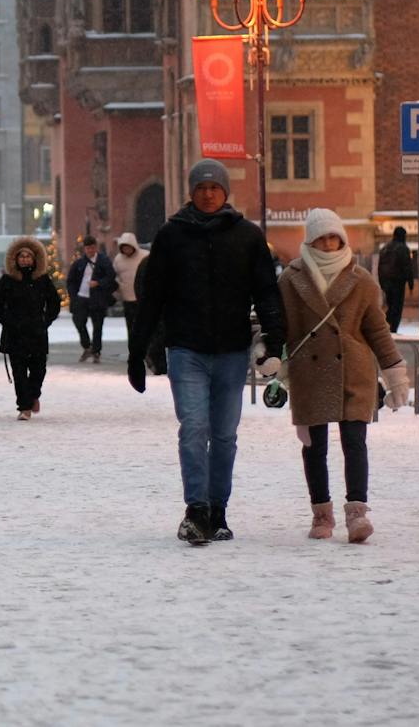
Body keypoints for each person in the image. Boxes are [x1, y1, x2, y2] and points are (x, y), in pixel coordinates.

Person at [127, 160, 286, 547]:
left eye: (215, 187)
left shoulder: (247, 236)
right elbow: (153, 297)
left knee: (225, 435)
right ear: (191, 192)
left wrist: (276, 338)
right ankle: (196, 509)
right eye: (201, 187)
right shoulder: (171, 236)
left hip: (231, 349)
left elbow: (266, 290)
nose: (208, 193)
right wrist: (138, 351)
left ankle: (218, 509)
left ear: (225, 192)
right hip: (186, 348)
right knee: (194, 428)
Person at [277, 209, 411, 544]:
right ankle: (321, 513)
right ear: (310, 240)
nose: (327, 243)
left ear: (342, 238)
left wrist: (394, 374)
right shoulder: (291, 280)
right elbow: (280, 327)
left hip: (354, 371)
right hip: (309, 372)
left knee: (355, 443)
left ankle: (357, 514)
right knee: (314, 447)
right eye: (321, 237)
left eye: (333, 236)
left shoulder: (362, 280)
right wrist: (269, 358)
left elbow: (378, 331)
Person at [0, 237, 59, 420]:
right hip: (15, 334)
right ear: (15, 259)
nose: (25, 260)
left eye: (29, 256)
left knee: (39, 370)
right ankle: (24, 407)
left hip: (37, 333)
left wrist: (45, 320)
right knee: (19, 373)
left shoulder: (43, 280)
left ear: (35, 259)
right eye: (22, 256)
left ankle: (33, 395)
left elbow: (54, 303)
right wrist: (8, 321)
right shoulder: (7, 280)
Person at [66, 235, 118, 363]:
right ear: (84, 249)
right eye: (88, 248)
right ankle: (87, 346)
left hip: (98, 298)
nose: (90, 250)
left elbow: (111, 277)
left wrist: (99, 283)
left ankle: (96, 351)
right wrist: (74, 295)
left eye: (92, 247)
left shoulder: (104, 261)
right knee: (79, 321)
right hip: (81, 298)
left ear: (96, 247)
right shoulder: (79, 263)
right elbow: (71, 281)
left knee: (98, 326)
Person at [112, 232, 148, 363]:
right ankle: (134, 351)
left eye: (128, 247)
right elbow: (114, 276)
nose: (126, 250)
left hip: (143, 299)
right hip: (127, 299)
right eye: (124, 247)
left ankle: (145, 349)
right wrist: (117, 287)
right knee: (131, 327)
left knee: (143, 326)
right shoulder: (118, 259)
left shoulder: (145, 256)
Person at [375, 225, 417, 334]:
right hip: (398, 283)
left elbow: (380, 267)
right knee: (396, 308)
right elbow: (407, 267)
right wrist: (411, 284)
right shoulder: (403, 248)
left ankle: (386, 327)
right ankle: (391, 329)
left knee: (391, 305)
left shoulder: (385, 248)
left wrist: (382, 283)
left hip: (386, 283)